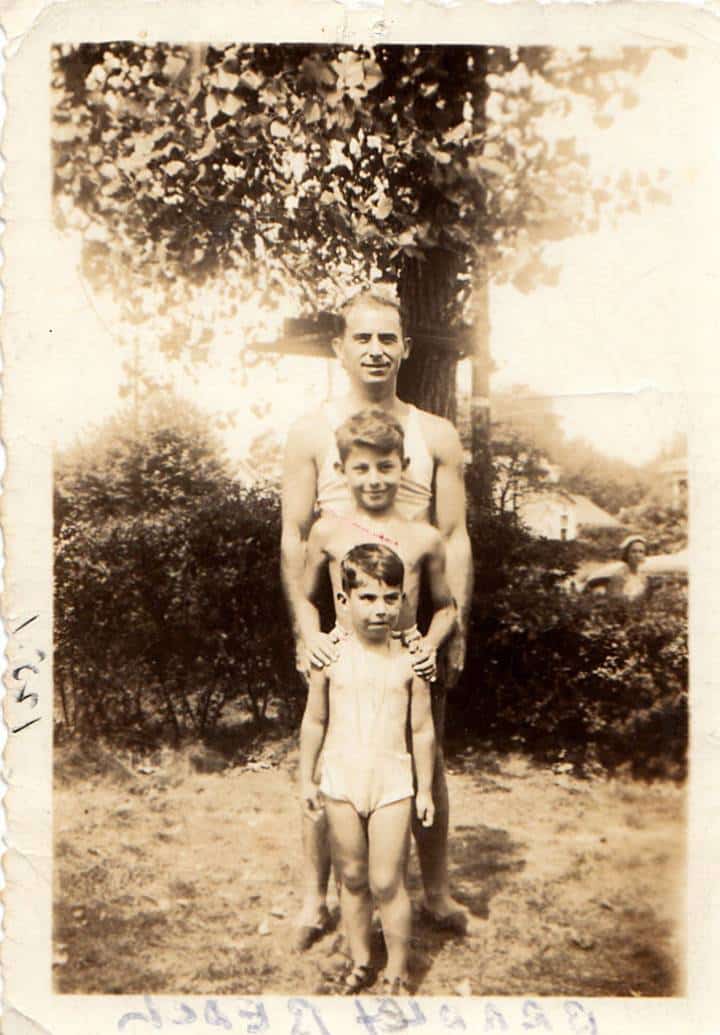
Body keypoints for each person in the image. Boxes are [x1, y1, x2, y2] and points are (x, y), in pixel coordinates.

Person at [281, 286, 473, 947]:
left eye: (387, 337)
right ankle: (315, 898)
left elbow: (454, 535)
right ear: (339, 347)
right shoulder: (310, 430)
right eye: (361, 337)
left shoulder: (434, 434)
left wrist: (455, 628)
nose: (375, 349)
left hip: (412, 635)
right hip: (341, 632)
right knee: (330, 757)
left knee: (425, 756)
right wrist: (305, 629)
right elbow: (293, 536)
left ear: (406, 348)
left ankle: (437, 891)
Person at [299, 544, 436, 995]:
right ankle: (360, 959)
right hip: (341, 781)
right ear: (344, 601)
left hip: (392, 784)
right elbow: (315, 720)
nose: (381, 610)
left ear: (402, 601)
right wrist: (306, 777)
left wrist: (426, 791)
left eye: (391, 598)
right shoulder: (329, 658)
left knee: (385, 880)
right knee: (353, 878)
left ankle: (397, 967)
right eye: (369, 598)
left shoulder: (410, 661)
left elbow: (421, 731)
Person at [295, 408, 457, 684]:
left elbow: (446, 607)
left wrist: (429, 645)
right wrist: (312, 637)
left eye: (385, 467)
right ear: (341, 470)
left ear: (403, 466)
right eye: (361, 468)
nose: (374, 480)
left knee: (405, 727)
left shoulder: (424, 537)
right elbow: (305, 598)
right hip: (344, 659)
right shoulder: (327, 532)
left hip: (404, 661)